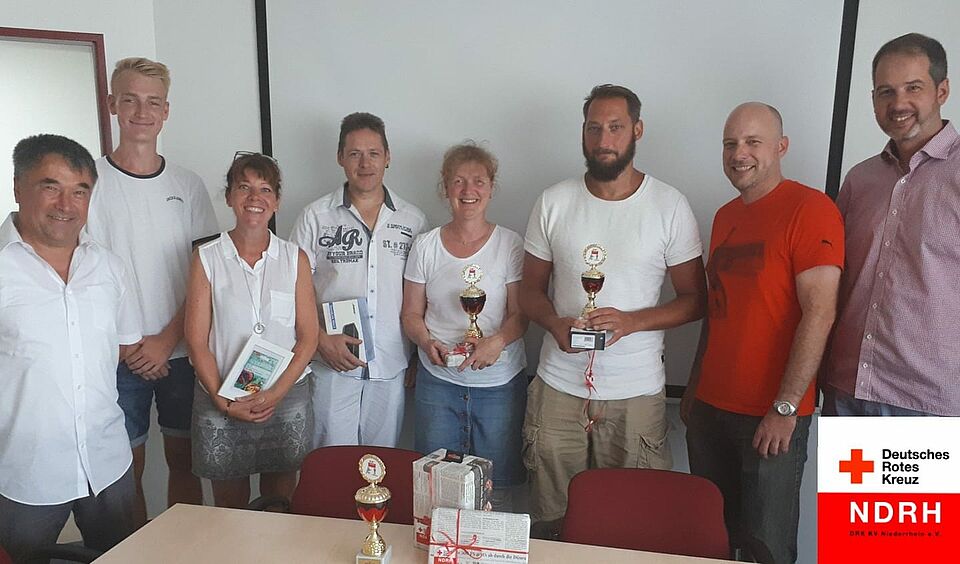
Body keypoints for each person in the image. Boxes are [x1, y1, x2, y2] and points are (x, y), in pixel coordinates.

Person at [520, 84, 706, 538]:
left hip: (635, 392)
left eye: (616, 127)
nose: (604, 139)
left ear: (637, 130)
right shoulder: (553, 201)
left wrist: (632, 322)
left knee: (632, 526)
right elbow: (529, 291)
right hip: (557, 388)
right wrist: (553, 322)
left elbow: (695, 300)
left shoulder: (669, 205)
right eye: (594, 128)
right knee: (554, 523)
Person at [682, 103, 843, 563]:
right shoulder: (724, 216)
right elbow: (717, 311)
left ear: (781, 147)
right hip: (710, 412)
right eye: (730, 143)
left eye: (753, 142)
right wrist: (693, 387)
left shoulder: (811, 209)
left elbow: (820, 313)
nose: (739, 154)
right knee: (711, 545)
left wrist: (785, 408)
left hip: (770, 418)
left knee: (766, 550)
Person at [86, 57, 218, 525]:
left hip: (181, 350)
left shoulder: (189, 185)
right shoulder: (88, 184)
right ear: (112, 105)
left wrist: (166, 340)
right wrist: (127, 345)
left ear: (166, 111)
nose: (142, 112)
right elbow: (83, 278)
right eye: (130, 100)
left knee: (186, 462)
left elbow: (206, 274)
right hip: (116, 356)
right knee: (127, 471)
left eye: (153, 102)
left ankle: (186, 550)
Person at [0, 135, 142, 561]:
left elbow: (122, 347)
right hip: (24, 470)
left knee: (121, 557)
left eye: (80, 191)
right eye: (51, 187)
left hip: (107, 461)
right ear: (18, 187)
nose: (66, 204)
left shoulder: (109, 267)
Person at [821, 33, 959, 416]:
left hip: (928, 403)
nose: (898, 104)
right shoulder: (860, 180)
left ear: (942, 90)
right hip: (848, 389)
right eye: (886, 92)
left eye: (913, 88)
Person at [184, 153, 319, 508]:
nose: (254, 198)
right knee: (229, 509)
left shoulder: (295, 258)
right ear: (229, 196)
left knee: (280, 503)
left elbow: (308, 337)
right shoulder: (206, 257)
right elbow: (196, 342)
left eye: (265, 189)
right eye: (244, 187)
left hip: (284, 397)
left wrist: (275, 394)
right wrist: (223, 401)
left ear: (277, 201)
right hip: (221, 395)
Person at [401, 143, 528, 510]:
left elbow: (521, 314)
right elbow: (410, 314)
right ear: (445, 188)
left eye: (478, 181)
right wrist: (426, 343)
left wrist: (497, 342)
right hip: (438, 385)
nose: (468, 190)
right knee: (436, 490)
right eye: (458, 181)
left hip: (499, 386)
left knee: (496, 491)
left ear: (491, 188)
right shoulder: (426, 246)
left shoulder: (510, 244)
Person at [291, 112, 426, 447]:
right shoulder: (315, 216)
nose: (365, 164)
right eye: (354, 154)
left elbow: (421, 295)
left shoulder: (413, 220)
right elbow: (291, 289)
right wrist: (319, 339)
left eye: (373, 153)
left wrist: (417, 356)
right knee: (331, 463)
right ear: (340, 158)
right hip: (330, 365)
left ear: (388, 157)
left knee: (380, 465)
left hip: (391, 364)